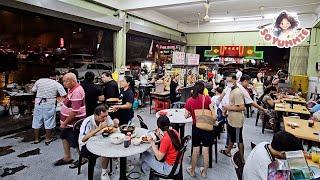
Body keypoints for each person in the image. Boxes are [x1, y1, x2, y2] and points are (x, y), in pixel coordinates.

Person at [54, 73, 87, 168]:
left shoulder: (77, 91)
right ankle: (67, 157)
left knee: (76, 141)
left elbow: (74, 112)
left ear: (73, 81)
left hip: (73, 123)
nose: (63, 83)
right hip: (68, 123)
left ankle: (83, 158)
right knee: (64, 137)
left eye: (66, 81)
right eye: (63, 81)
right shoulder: (71, 89)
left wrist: (64, 123)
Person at [79, 105, 119, 180]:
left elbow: (112, 127)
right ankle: (104, 173)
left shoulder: (106, 117)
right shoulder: (87, 121)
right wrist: (99, 128)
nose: (105, 118)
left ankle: (118, 162)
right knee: (105, 149)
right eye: (102, 117)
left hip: (99, 140)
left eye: (106, 116)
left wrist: (115, 124)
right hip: (86, 145)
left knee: (115, 141)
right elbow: (83, 139)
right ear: (95, 115)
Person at [185, 81, 213, 178]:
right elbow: (212, 112)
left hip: (196, 127)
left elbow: (186, 116)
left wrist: (191, 113)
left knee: (195, 149)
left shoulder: (189, 100)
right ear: (203, 89)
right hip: (206, 126)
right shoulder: (208, 99)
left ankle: (192, 171)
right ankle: (204, 172)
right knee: (206, 150)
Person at [31, 71, 67, 144]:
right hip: (49, 103)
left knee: (36, 120)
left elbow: (33, 90)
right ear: (56, 76)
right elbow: (64, 95)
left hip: (38, 103)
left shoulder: (39, 81)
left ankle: (36, 139)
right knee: (49, 121)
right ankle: (48, 139)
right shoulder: (56, 84)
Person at [220, 74, 246, 163]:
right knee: (232, 136)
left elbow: (242, 107)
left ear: (235, 81)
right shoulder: (232, 90)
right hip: (231, 118)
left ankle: (242, 159)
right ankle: (228, 151)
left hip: (237, 120)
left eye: (230, 81)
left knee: (239, 139)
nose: (228, 83)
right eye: (227, 81)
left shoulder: (237, 92)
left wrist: (228, 107)